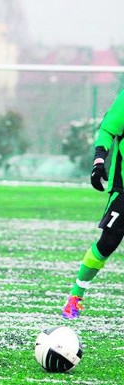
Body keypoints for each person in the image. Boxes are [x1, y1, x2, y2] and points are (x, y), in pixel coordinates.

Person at [62, 90, 124, 320]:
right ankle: (75, 296)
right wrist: (99, 161)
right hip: (123, 188)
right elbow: (107, 130)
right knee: (108, 242)